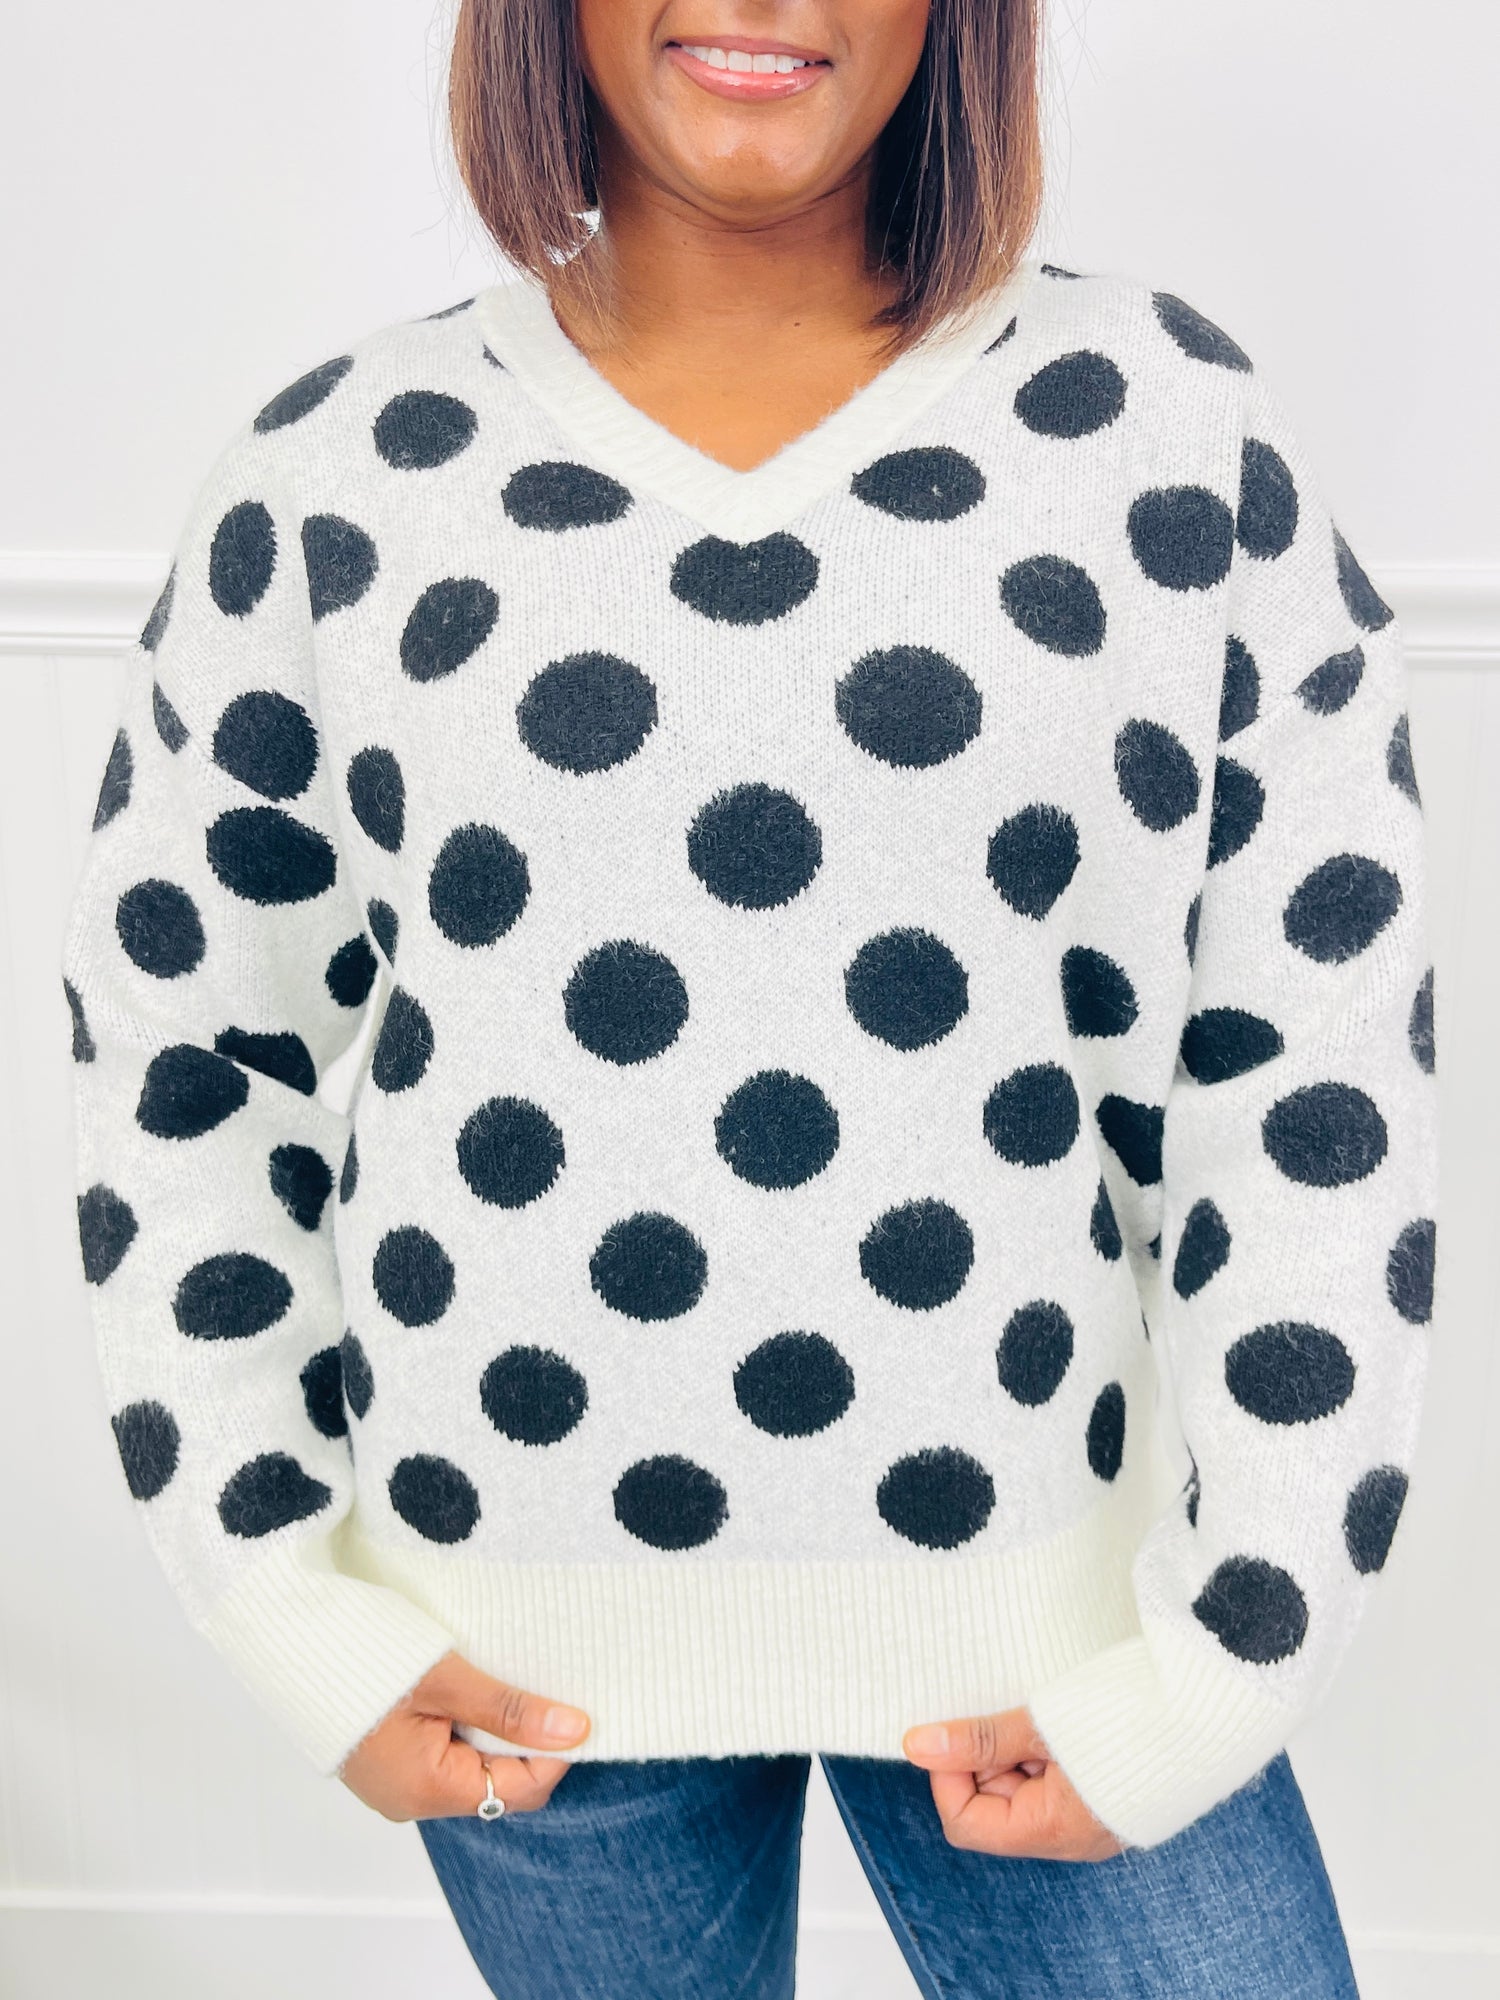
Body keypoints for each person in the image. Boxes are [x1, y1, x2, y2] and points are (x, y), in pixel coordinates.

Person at [60, 1, 1440, 1993]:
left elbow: (1309, 1079)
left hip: (1061, 1643)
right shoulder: (340, 477)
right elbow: (193, 1063)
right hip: (513, 1660)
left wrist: (1235, 1647)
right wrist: (285, 1605)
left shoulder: (1165, 436)